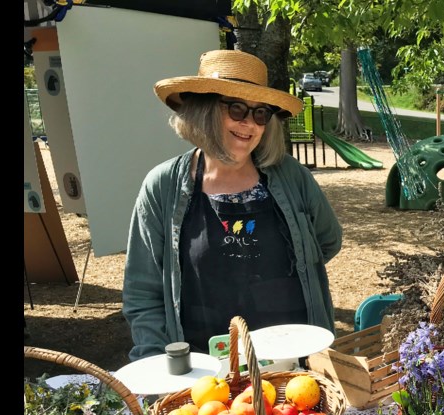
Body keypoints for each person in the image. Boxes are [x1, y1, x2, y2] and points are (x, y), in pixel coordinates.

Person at [122, 49, 343, 361]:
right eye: (237, 109)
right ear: (204, 109)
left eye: (260, 113)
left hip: (294, 366)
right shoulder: (162, 186)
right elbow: (142, 292)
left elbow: (327, 241)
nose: (249, 124)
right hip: (204, 373)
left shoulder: (292, 176)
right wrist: (157, 364)